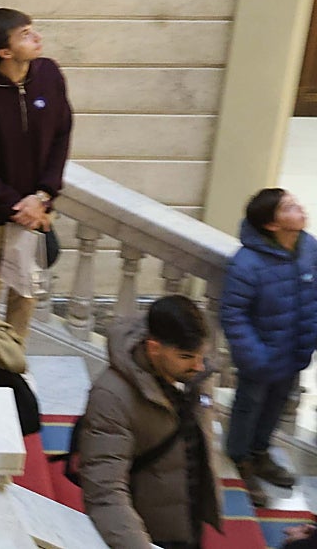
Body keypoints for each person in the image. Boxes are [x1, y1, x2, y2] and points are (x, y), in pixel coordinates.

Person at [0, 7, 72, 341]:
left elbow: (62, 134)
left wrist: (43, 196)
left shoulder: (49, 74)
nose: (37, 38)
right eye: (25, 34)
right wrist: (18, 208)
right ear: (4, 52)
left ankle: (13, 358)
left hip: (38, 207)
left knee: (26, 291)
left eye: (32, 30)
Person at [76, 295, 220, 549]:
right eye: (187, 357)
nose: (199, 367)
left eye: (201, 356)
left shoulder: (196, 372)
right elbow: (105, 491)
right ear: (154, 348)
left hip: (189, 522)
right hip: (147, 533)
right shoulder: (111, 396)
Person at [220, 188, 317, 507]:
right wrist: (255, 355)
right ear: (272, 225)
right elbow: (233, 313)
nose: (299, 208)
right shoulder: (247, 263)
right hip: (260, 357)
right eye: (289, 207)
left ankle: (260, 453)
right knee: (248, 409)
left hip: (293, 352)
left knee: (275, 408)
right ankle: (241, 460)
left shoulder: (308, 248)